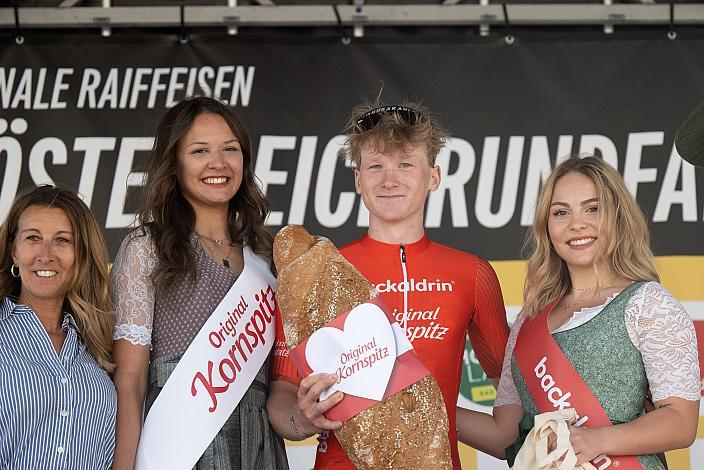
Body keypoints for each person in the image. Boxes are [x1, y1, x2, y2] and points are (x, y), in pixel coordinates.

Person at [267, 100, 510, 469]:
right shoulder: (318, 270)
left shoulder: (472, 273)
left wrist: (426, 415)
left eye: (405, 164)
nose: (389, 179)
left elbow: (511, 392)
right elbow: (281, 395)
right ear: (358, 180)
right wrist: (302, 419)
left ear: (434, 177)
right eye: (375, 166)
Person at [458, 155, 700, 468]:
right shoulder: (529, 320)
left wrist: (596, 440)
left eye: (593, 208)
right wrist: (434, 409)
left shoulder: (648, 304)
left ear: (617, 216)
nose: (577, 223)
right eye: (561, 212)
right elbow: (506, 436)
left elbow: (681, 422)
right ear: (547, 227)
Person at [111, 96, 288, 470]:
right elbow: (131, 380)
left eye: (230, 149)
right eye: (199, 150)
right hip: (181, 447)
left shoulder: (268, 258)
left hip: (259, 448)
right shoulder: (147, 248)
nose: (218, 163)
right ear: (173, 164)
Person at [0, 185, 117, 469]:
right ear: (14, 252)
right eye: (33, 238)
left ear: (81, 255)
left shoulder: (99, 347)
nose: (46, 254)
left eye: (62, 240)